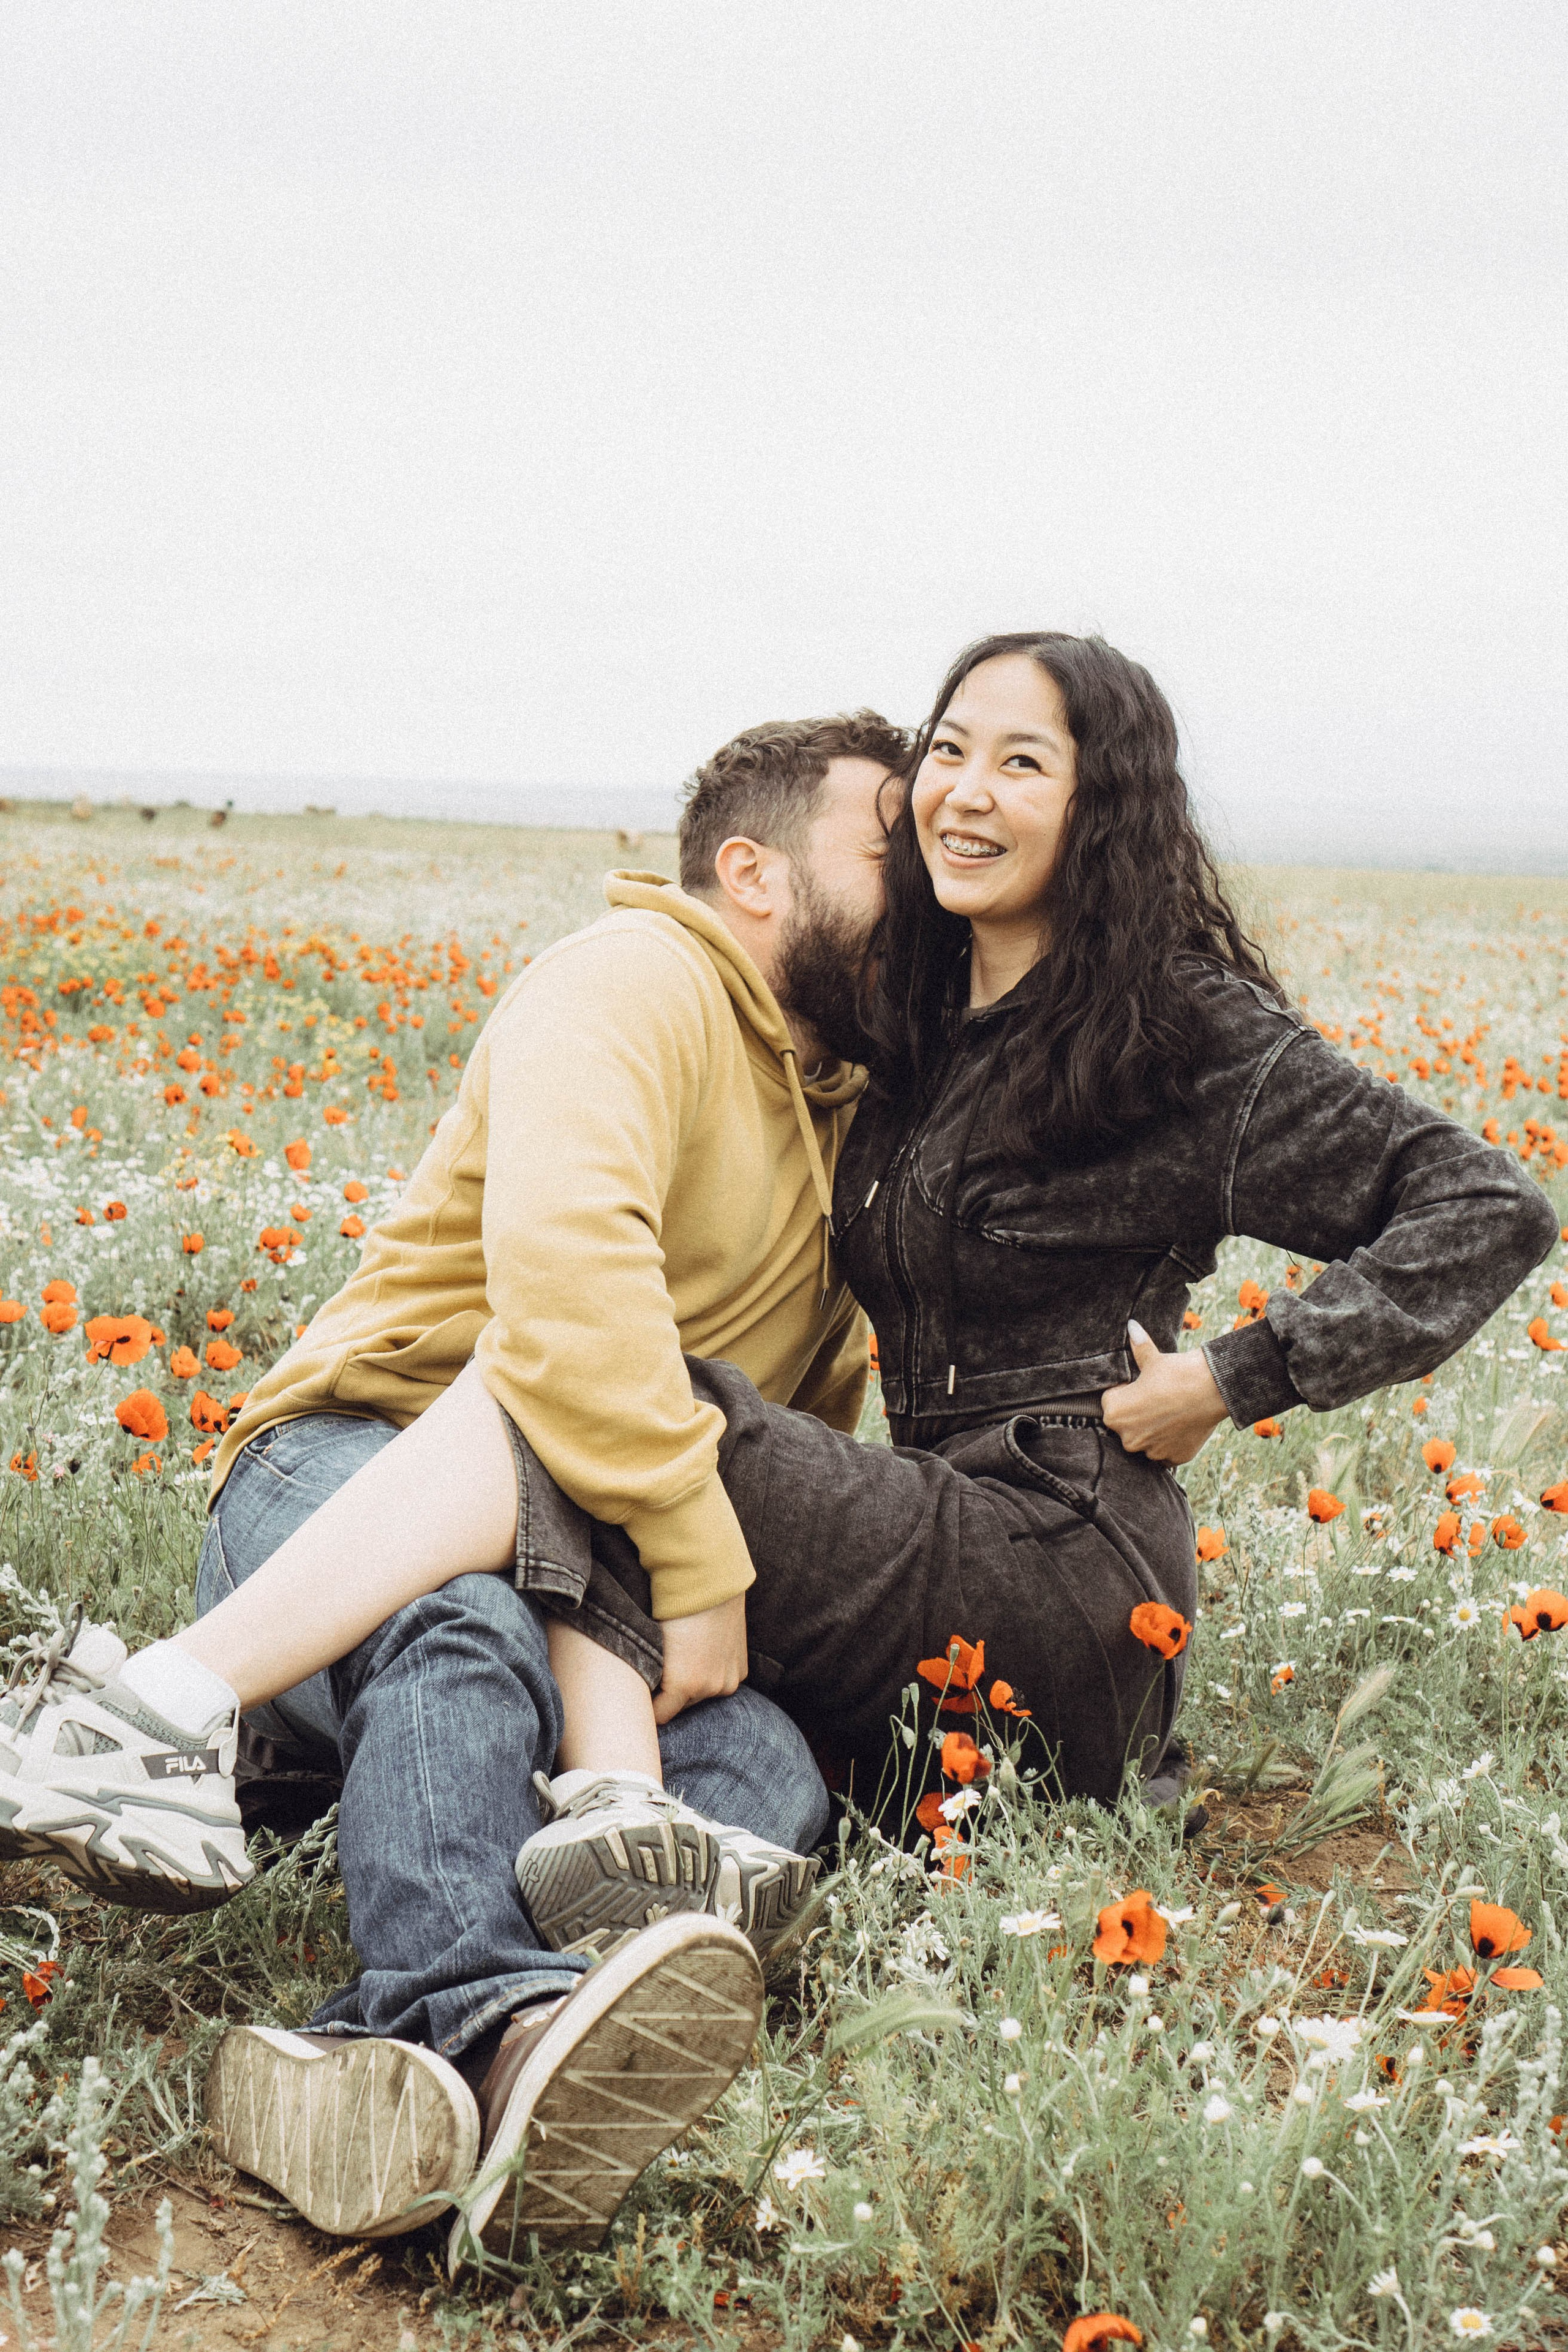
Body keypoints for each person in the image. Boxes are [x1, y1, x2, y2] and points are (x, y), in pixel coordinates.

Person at [0, 709, 908, 2266]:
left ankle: (370, 2028)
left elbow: (791, 1433)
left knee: (759, 1777)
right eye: (888, 851)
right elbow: (563, 1286)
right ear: (751, 873)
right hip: (363, 1476)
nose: (928, 898)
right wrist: (696, 1564)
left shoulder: (844, 1115)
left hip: (602, 1566)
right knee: (461, 1627)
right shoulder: (629, 982)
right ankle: (473, 2036)